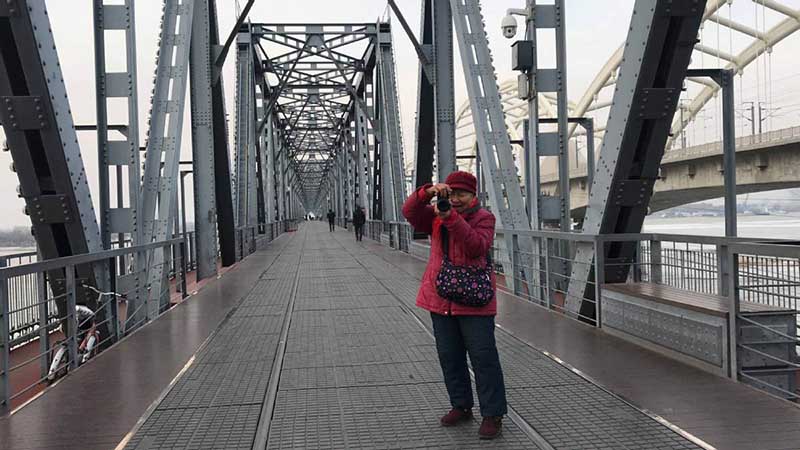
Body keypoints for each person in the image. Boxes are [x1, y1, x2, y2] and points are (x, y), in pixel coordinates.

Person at [402, 171, 506, 440]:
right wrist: (427, 192)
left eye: (462, 194)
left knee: (484, 360)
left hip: (475, 303)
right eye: (452, 194)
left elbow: (475, 247)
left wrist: (451, 219)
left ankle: (493, 414)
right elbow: (409, 212)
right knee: (450, 358)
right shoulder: (435, 215)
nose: (456, 199)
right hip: (441, 300)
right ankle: (461, 405)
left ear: (474, 195)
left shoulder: (484, 218)